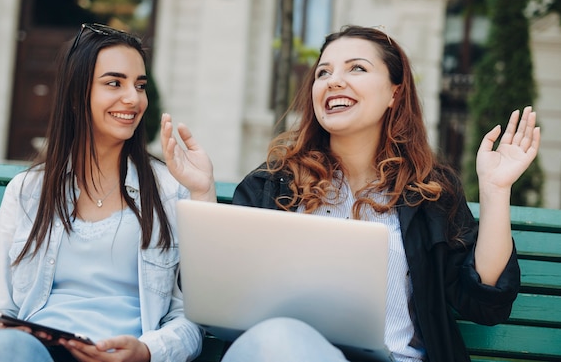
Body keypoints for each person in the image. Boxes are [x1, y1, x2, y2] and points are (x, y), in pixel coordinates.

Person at [224, 25, 540, 362]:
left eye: (357, 68)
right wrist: (201, 192)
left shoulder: (428, 193)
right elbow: (225, 289)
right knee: (276, 340)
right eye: (323, 72)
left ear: (395, 93)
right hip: (289, 353)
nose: (333, 80)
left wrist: (495, 189)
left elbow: (483, 302)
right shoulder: (274, 184)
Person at [0, 23, 216, 362]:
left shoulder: (170, 191)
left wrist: (147, 351)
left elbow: (191, 319)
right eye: (114, 82)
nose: (133, 98)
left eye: (140, 86)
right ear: (75, 94)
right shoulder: (26, 193)